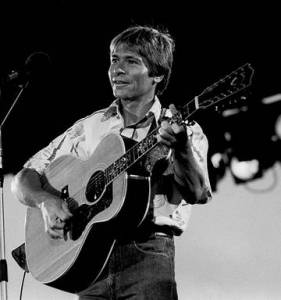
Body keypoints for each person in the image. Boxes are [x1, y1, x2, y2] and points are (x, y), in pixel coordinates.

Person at [11, 25, 212, 299]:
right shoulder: (89, 127)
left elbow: (197, 192)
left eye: (131, 61)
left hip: (147, 258)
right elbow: (24, 177)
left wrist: (181, 147)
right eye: (114, 60)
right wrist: (46, 201)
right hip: (90, 261)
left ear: (157, 74)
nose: (117, 69)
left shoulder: (184, 130)